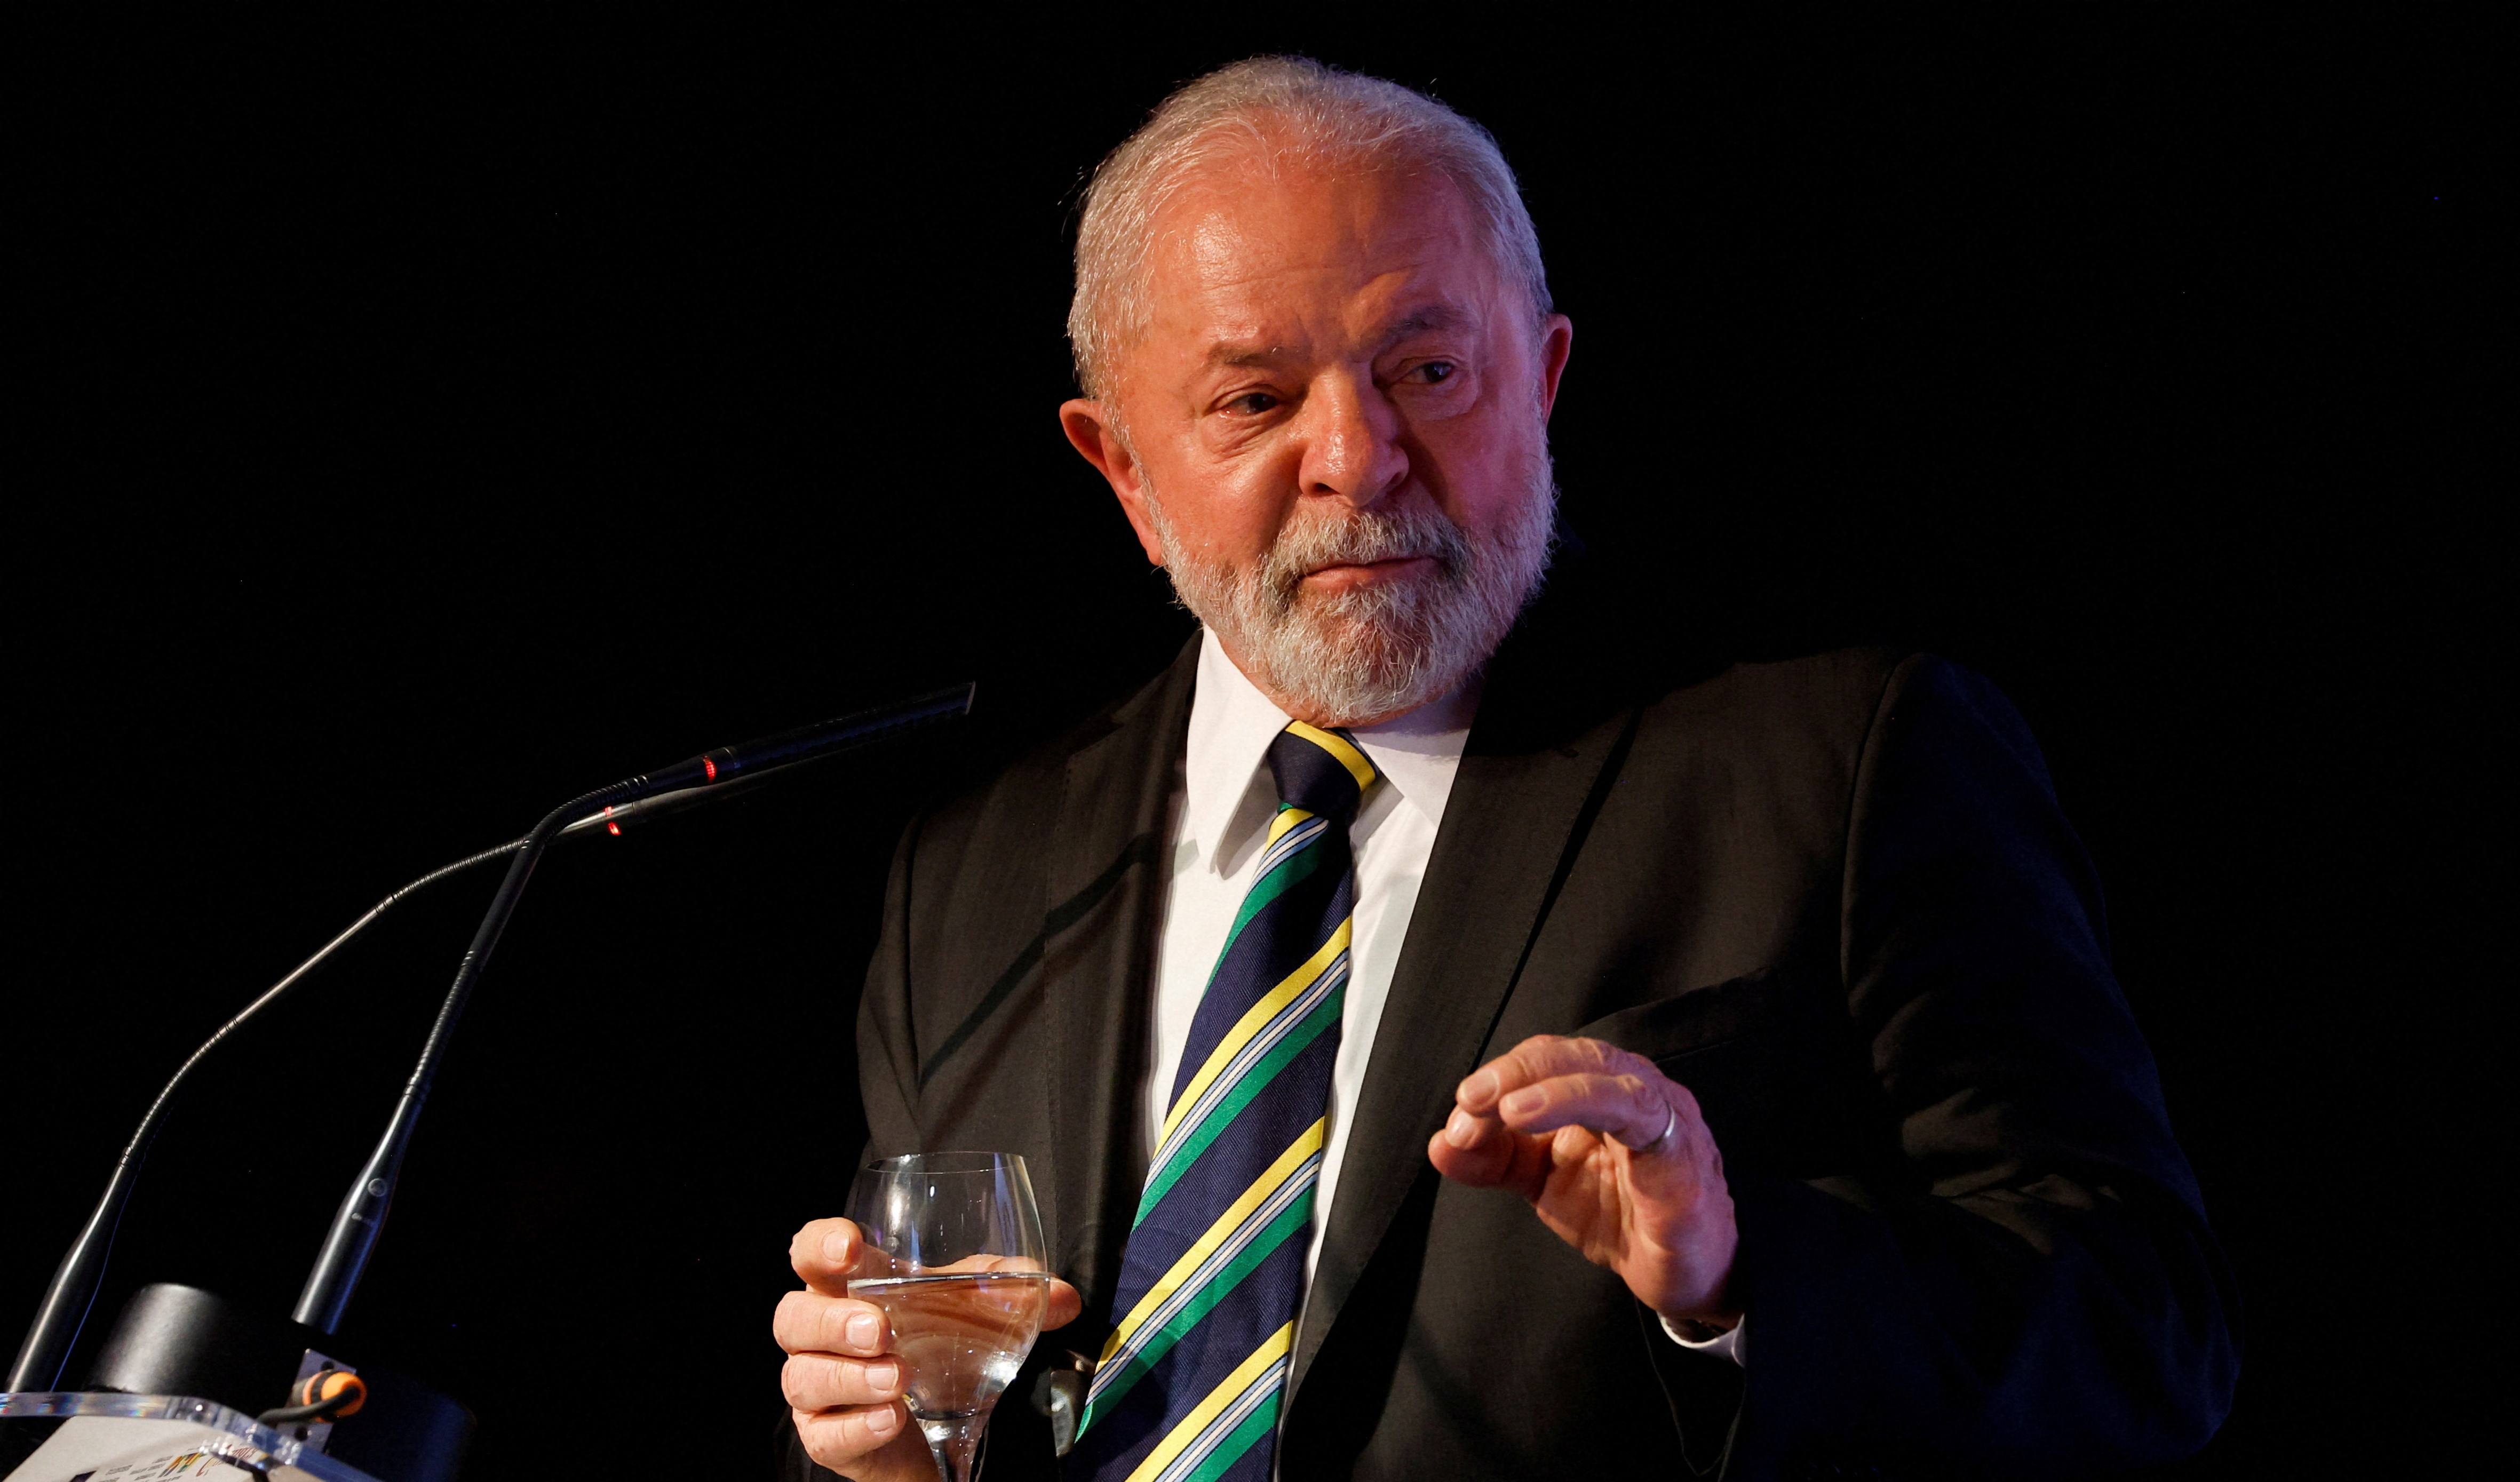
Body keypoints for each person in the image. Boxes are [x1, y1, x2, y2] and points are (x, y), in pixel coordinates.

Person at [773, 57, 2238, 1480]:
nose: (1357, 456)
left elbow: (2141, 1331)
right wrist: (887, 1455)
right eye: (1254, 402)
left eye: (1426, 368)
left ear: (1539, 380)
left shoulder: (1844, 757)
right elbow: (917, 1372)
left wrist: (1733, 1276)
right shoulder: (978, 873)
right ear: (1125, 476)